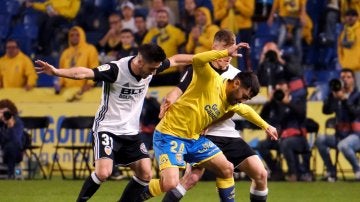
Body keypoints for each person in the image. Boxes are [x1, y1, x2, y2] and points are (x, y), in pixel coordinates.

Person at [35, 43, 193, 202]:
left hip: (130, 132)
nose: (154, 72)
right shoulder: (116, 70)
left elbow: (176, 60)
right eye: (152, 69)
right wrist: (56, 72)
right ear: (140, 62)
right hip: (107, 128)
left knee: (145, 174)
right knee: (104, 172)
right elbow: (84, 73)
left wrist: (202, 59)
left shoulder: (152, 65)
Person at [147, 29, 278, 202]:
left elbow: (239, 108)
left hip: (216, 134)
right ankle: (138, 191)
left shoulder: (235, 76)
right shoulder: (204, 69)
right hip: (195, 133)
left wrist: (265, 125)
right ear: (214, 48)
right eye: (224, 51)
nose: (227, 56)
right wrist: (170, 98)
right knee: (184, 180)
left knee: (252, 172)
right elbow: (182, 85)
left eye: (230, 53)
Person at [258, 80, 312, 182]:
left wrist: (288, 103)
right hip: (281, 138)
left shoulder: (297, 101)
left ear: (288, 90)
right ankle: (276, 171)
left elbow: (302, 114)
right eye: (278, 90)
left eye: (282, 89)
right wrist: (268, 103)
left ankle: (293, 173)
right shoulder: (274, 105)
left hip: (298, 139)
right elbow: (262, 118)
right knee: (262, 145)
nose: (280, 92)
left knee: (286, 143)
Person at [315, 68, 360, 182]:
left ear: (353, 80)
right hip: (340, 134)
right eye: (343, 77)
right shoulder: (336, 95)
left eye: (348, 77)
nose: (345, 80)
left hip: (356, 135)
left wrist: (345, 100)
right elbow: (326, 111)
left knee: (343, 145)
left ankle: (358, 170)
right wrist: (331, 96)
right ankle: (331, 171)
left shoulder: (357, 96)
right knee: (320, 139)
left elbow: (355, 113)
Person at [58, 26, 99, 102]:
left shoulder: (90, 49)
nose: (74, 37)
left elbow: (94, 68)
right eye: (72, 35)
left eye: (77, 35)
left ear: (82, 35)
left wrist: (90, 83)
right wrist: (59, 84)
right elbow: (61, 71)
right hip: (68, 91)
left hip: (85, 91)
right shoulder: (65, 53)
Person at [0, 99, 24, 179]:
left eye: (5, 113)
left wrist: (11, 126)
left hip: (15, 152)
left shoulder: (17, 122)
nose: (3, 115)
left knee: (11, 146)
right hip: (3, 151)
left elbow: (16, 141)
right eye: (0, 112)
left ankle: (12, 174)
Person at [337, 9, 360, 90]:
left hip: (359, 69)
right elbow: (339, 50)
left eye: (353, 16)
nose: (350, 18)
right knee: (349, 94)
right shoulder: (343, 33)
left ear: (357, 17)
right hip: (347, 69)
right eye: (348, 16)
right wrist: (343, 63)